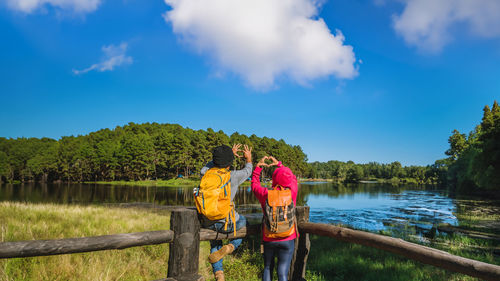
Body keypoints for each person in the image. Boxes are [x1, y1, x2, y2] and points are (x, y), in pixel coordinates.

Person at [199, 144, 253, 281]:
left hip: (208, 221)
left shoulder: (204, 173)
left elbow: (208, 165)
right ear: (229, 163)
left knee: (215, 244)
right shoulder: (232, 176)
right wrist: (248, 159)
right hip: (227, 222)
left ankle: (219, 275)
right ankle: (230, 246)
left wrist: (225, 156)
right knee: (245, 223)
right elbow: (248, 171)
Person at [251, 156, 298, 281]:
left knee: (267, 267)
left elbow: (254, 185)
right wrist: (280, 165)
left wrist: (258, 168)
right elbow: (292, 177)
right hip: (288, 238)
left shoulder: (266, 193)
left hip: (269, 237)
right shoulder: (292, 191)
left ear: (274, 179)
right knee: (282, 273)